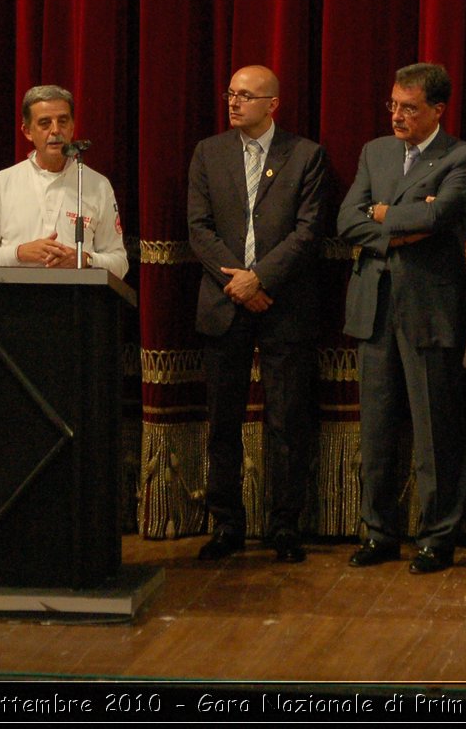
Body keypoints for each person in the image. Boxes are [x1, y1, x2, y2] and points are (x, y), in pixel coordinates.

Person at [337, 63, 466, 574]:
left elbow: (438, 217)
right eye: (393, 105)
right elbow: (346, 219)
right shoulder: (375, 151)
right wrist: (395, 226)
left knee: (433, 429)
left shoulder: (462, 156)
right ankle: (379, 532)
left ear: (438, 110)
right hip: (374, 307)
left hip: (429, 309)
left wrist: (381, 214)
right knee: (376, 430)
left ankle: (437, 537)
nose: (397, 115)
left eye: (409, 108)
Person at [187, 66, 328, 563]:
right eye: (230, 94)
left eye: (245, 95)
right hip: (225, 302)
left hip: (283, 304)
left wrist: (260, 279)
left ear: (272, 103)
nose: (234, 102)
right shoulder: (209, 152)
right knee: (223, 421)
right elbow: (198, 228)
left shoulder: (306, 155)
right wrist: (238, 283)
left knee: (286, 421)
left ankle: (284, 526)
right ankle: (227, 524)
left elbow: (308, 233)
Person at [0, 85, 128, 277]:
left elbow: (120, 264)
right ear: (27, 131)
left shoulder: (97, 185)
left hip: (74, 302)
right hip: (15, 301)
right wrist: (19, 253)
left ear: (73, 126)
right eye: (45, 123)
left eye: (63, 121)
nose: (55, 130)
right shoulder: (4, 182)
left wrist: (86, 259)